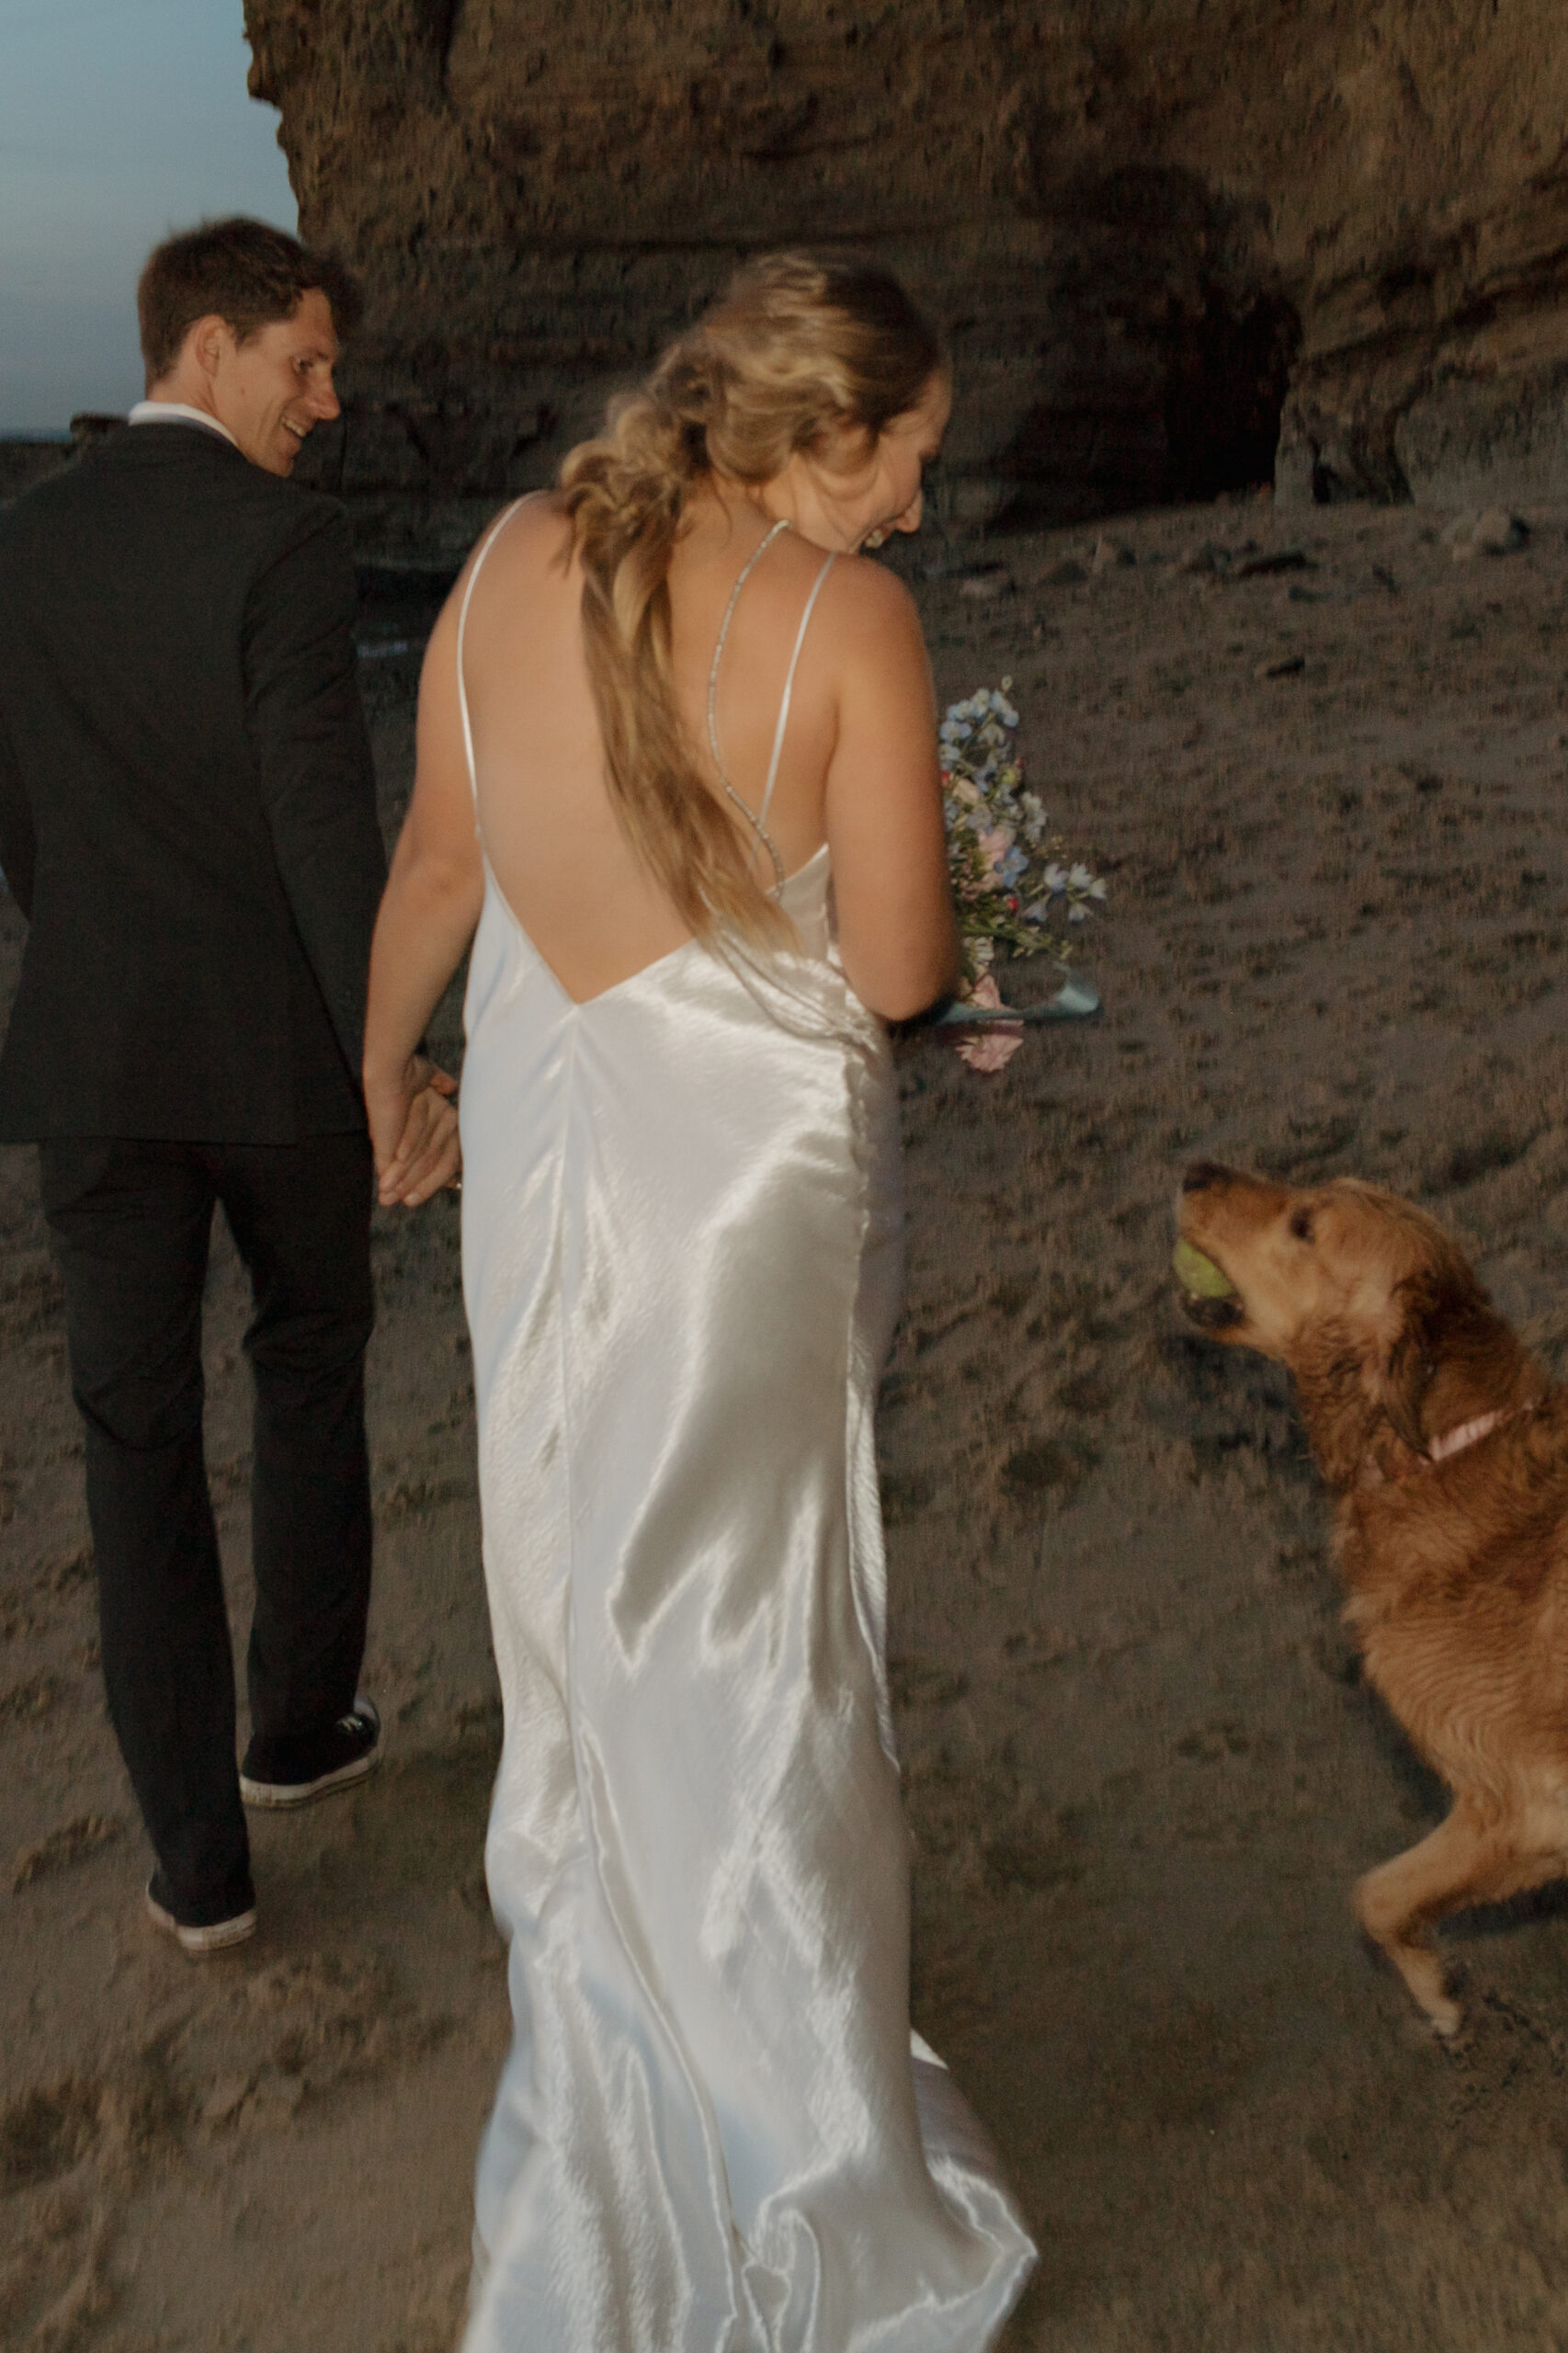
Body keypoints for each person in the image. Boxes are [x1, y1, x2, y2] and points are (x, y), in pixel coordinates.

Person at [364, 252, 1036, 2348]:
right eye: (907, 461)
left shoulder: (500, 555)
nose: (919, 506)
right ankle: (815, 2172)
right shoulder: (853, 622)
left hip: (549, 1149)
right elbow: (904, 973)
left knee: (573, 1598)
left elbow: (439, 871)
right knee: (750, 1639)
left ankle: (617, 2091)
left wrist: (383, 1073)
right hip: (741, 1178)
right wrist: (981, 931)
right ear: (822, 432)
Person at [0, 218, 459, 1959]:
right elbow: (322, 825)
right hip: (275, 1061)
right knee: (308, 1365)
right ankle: (295, 1731)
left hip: (96, 1064)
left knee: (132, 1450)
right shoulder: (283, 541)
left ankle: (197, 1868)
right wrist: (390, 1063)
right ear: (206, 349)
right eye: (304, 366)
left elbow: (21, 822)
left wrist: (103, 946)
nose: (328, 403)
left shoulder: (20, 544)